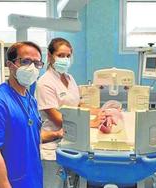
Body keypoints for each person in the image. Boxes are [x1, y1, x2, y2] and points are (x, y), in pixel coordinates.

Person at [36, 37, 104, 188]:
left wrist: (100, 111)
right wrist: (91, 123)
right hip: (52, 149)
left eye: (68, 56)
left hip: (71, 145)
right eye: (60, 55)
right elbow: (58, 119)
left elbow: (77, 105)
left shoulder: (69, 78)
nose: (65, 59)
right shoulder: (44, 83)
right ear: (50, 55)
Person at [0, 41, 44, 188]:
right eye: (25, 61)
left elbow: (27, 135)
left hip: (30, 179)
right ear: (10, 64)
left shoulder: (31, 100)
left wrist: (59, 133)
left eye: (37, 63)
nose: (32, 67)